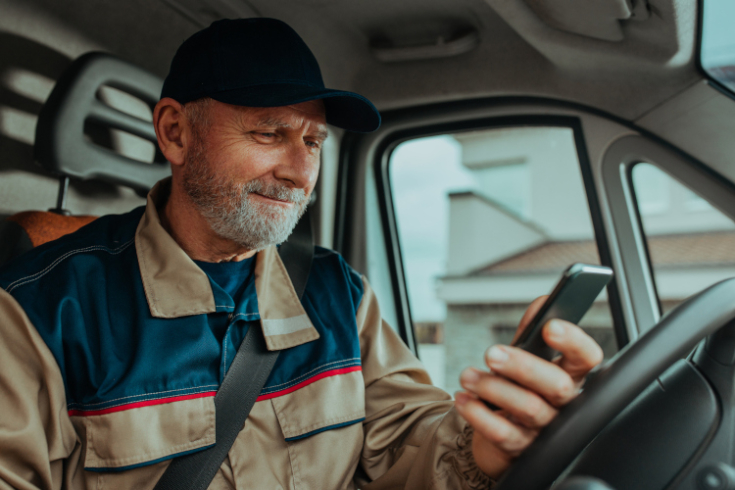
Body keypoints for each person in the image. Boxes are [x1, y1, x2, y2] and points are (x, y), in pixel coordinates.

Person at [0, 18, 603, 490]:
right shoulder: (38, 312)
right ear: (175, 132)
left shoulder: (336, 292)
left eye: (313, 140)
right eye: (268, 133)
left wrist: (486, 444)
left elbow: (405, 446)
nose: (297, 171)